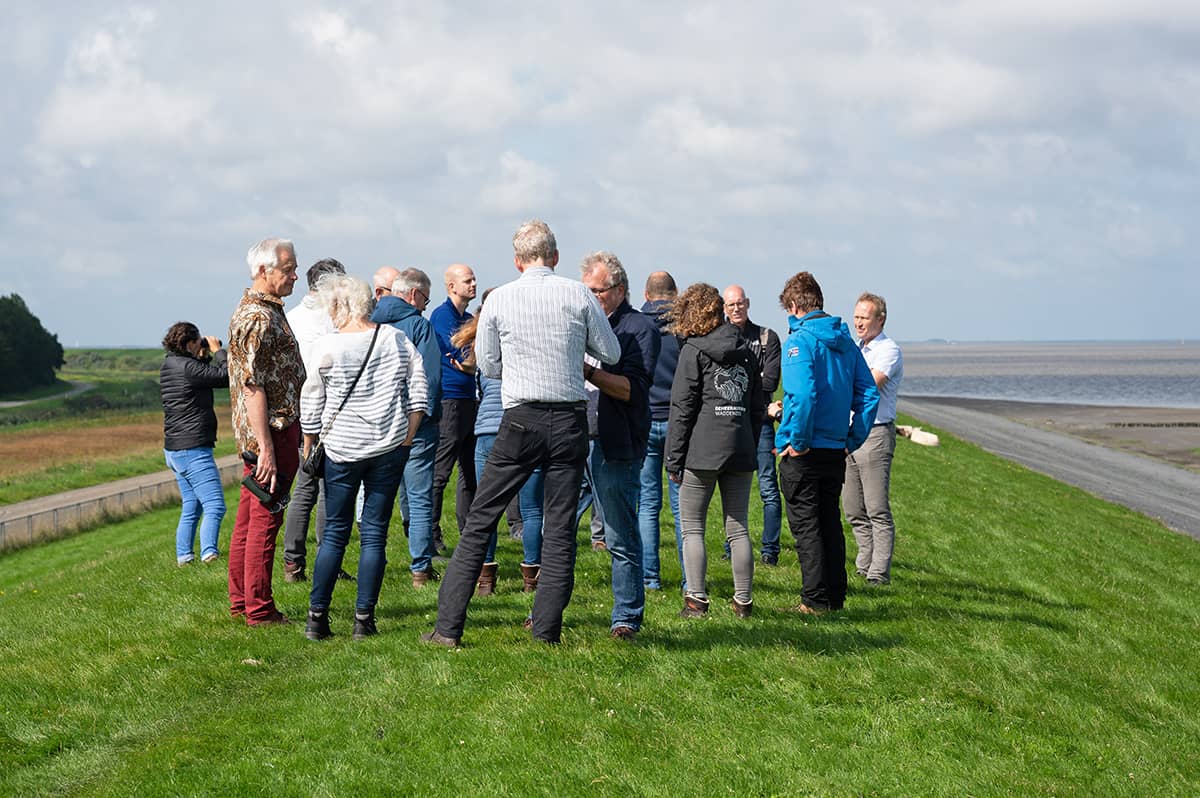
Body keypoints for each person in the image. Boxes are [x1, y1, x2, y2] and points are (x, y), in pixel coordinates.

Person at [422, 219, 619, 647]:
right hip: (569, 418)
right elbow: (612, 351)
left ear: (516, 261)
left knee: (480, 521)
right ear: (556, 256)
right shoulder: (578, 294)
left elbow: (488, 364)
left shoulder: (501, 300)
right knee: (560, 526)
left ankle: (448, 627)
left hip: (520, 417)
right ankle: (547, 630)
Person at [300, 274, 427, 641]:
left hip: (341, 449)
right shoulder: (394, 339)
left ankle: (316, 618)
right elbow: (419, 386)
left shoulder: (327, 345)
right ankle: (363, 619)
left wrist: (309, 443)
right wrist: (408, 433)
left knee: (335, 533)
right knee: (374, 534)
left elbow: (312, 400)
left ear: (339, 307)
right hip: (388, 446)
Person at [773, 272, 879, 615]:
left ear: (793, 306)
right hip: (835, 448)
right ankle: (835, 596)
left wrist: (798, 441)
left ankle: (815, 601)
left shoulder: (799, 342)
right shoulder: (846, 342)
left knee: (807, 527)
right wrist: (852, 438)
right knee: (830, 523)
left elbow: (802, 396)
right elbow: (868, 395)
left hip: (805, 448)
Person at [665, 284, 763, 618]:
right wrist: (749, 442)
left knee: (693, 527)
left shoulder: (693, 350)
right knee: (738, 527)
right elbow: (757, 406)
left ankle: (696, 600)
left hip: (701, 451)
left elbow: (682, 408)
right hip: (739, 448)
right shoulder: (747, 350)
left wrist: (673, 459)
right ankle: (743, 601)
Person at [579, 251, 660, 641]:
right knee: (554, 528)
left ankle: (626, 616)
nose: (593, 298)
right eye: (588, 291)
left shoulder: (638, 327)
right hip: (574, 436)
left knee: (619, 534)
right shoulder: (581, 323)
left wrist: (590, 370)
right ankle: (546, 610)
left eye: (599, 291)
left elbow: (633, 389)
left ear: (620, 290)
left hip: (615, 441)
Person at [227, 237, 305, 626]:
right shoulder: (257, 316)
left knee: (248, 519)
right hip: (271, 432)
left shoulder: (267, 310)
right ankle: (259, 609)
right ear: (264, 271)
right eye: (288, 268)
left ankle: (242, 601)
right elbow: (252, 385)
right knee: (265, 519)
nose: (295, 275)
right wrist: (266, 449)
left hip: (274, 430)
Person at [452, 305, 545, 596]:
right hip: (526, 427)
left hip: (488, 432)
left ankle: (486, 580)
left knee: (486, 507)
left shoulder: (483, 351)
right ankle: (533, 578)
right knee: (531, 510)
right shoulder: (533, 350)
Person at [370, 267, 444, 588]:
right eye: (425, 298)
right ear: (413, 294)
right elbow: (430, 378)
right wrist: (426, 418)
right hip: (416, 423)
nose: (426, 305)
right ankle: (420, 568)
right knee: (419, 494)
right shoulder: (418, 326)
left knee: (379, 495)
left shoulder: (369, 323)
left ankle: (374, 562)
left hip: (377, 421)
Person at [282, 258, 346, 583]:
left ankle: (294, 561)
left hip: (297, 409)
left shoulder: (289, 317)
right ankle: (325, 559)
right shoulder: (331, 320)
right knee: (323, 488)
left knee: (306, 486)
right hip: (326, 409)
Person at [844, 291, 904, 586]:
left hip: (876, 433)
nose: (858, 323)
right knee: (853, 507)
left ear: (880, 319)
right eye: (856, 317)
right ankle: (863, 563)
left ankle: (878, 573)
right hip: (852, 433)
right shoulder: (857, 349)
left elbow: (869, 385)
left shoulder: (888, 350)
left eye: (864, 317)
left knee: (877, 508)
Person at [721, 285, 783, 565]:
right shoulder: (717, 338)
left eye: (740, 303)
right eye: (730, 304)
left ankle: (770, 550)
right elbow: (718, 382)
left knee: (768, 488)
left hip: (762, 425)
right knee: (731, 488)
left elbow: (769, 382)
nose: (736, 308)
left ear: (748, 303)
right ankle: (729, 547)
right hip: (731, 423)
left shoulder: (767, 337)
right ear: (724, 308)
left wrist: (742, 379)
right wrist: (752, 376)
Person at [160, 322, 229, 566]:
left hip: (174, 449)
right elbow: (224, 377)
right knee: (215, 506)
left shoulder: (170, 364)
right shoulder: (188, 367)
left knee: (192, 505)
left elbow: (199, 378)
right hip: (192, 449)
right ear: (189, 343)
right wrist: (219, 351)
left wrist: (203, 357)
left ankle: (184, 557)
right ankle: (209, 554)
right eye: (198, 341)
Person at [637, 271, 684, 590]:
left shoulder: (637, 324)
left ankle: (649, 577)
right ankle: (688, 579)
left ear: (646, 294)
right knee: (683, 505)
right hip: (678, 420)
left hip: (644, 416)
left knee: (648, 503)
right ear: (675, 293)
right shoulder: (684, 328)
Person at [429, 263, 479, 555]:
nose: (473, 284)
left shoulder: (469, 317)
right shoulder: (442, 316)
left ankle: (469, 532)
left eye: (474, 280)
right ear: (451, 286)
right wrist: (474, 357)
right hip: (451, 399)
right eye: (467, 280)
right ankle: (432, 535)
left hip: (469, 398)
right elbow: (466, 360)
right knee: (442, 470)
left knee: (470, 471)